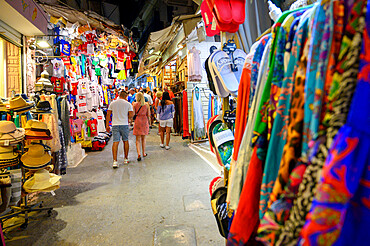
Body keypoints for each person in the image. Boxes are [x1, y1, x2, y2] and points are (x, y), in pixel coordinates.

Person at [106, 90, 134, 168]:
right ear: (126, 96)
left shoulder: (113, 103)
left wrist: (107, 125)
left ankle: (115, 161)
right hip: (124, 124)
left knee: (115, 142)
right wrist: (127, 117)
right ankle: (125, 159)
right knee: (125, 141)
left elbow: (108, 114)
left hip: (115, 124)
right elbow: (131, 115)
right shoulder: (128, 104)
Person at [132, 92, 150, 161]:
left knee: (137, 139)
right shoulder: (146, 104)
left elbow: (133, 114)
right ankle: (144, 153)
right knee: (143, 138)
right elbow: (148, 115)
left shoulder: (134, 104)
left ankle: (138, 153)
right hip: (144, 121)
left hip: (138, 121)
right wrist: (149, 122)